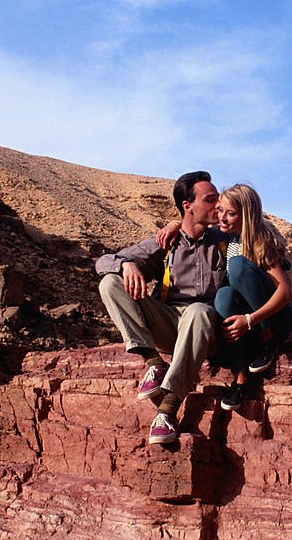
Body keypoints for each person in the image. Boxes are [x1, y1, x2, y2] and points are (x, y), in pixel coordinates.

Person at [95, 171, 227, 445]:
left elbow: (258, 233)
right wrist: (125, 265)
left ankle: (168, 408)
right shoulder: (167, 242)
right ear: (187, 206)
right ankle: (153, 362)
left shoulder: (225, 241)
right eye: (210, 199)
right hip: (168, 324)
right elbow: (103, 262)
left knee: (198, 311)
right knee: (110, 283)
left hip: (208, 328)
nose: (218, 205)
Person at [158, 183, 292, 410]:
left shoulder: (260, 238)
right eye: (220, 210)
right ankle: (241, 379)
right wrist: (174, 225)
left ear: (246, 215)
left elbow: (284, 292)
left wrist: (252, 320)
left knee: (238, 266)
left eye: (230, 214)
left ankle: (268, 341)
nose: (221, 217)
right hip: (249, 322)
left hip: (274, 319)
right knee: (223, 296)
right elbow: (193, 226)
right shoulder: (225, 236)